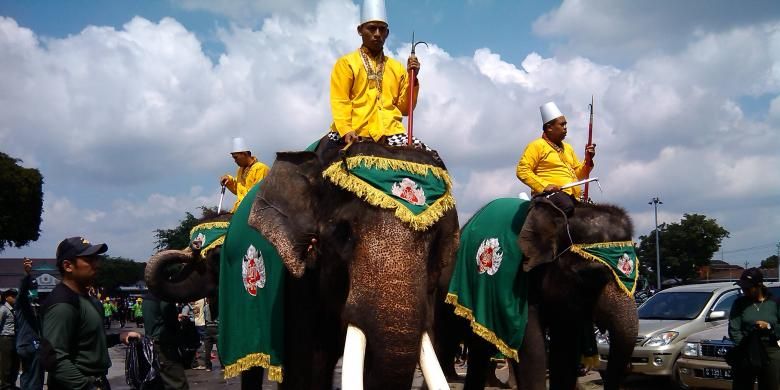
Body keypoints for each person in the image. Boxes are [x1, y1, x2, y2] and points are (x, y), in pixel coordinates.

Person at [42, 236, 140, 390]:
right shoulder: (62, 304)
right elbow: (54, 357)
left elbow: (86, 340)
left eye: (96, 258)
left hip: (97, 381)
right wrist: (86, 386)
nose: (97, 264)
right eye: (89, 260)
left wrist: (119, 337)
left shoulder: (88, 300)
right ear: (68, 266)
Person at [326, 0, 424, 148]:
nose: (377, 34)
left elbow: (404, 109)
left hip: (391, 132)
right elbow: (340, 100)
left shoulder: (396, 68)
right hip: (354, 129)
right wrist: (346, 129)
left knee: (429, 161)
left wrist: (413, 78)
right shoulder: (346, 63)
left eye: (382, 29)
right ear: (360, 30)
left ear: (387, 33)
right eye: (372, 28)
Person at [516, 101, 596, 213]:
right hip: (549, 197)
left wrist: (588, 159)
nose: (565, 128)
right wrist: (544, 186)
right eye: (562, 125)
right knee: (566, 205)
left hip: (573, 198)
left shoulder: (568, 148)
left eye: (566, 124)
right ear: (549, 127)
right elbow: (522, 170)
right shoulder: (537, 145)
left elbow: (579, 175)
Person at [728, 268, 780, 390]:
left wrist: (768, 326)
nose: (744, 290)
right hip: (745, 349)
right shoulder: (739, 303)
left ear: (759, 285)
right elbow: (734, 329)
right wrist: (744, 346)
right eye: (742, 287)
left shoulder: (775, 302)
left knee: (771, 385)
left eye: (748, 288)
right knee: (742, 385)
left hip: (770, 350)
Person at [143, 293, 189, 389]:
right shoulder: (163, 297)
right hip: (165, 346)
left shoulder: (147, 297)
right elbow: (172, 321)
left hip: (151, 345)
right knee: (178, 384)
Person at [15, 258, 44, 390]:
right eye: (32, 288)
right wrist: (27, 274)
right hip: (29, 344)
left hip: (26, 344)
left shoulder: (35, 306)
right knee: (34, 379)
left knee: (27, 377)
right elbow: (22, 293)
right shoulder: (22, 305)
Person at [219, 137, 269, 213]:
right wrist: (229, 180)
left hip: (253, 211)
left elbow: (256, 194)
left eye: (236, 157)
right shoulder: (240, 170)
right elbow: (239, 189)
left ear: (244, 154)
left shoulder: (260, 168)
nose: (235, 161)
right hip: (239, 210)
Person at [193, 298, 220, 372]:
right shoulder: (218, 306)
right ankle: (223, 366)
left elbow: (201, 316)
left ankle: (208, 366)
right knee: (219, 348)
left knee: (207, 349)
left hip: (207, 327)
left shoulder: (205, 307)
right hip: (216, 327)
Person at [0, 289, 18, 389]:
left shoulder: (14, 309)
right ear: (7, 297)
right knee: (6, 364)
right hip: (6, 338)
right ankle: (5, 386)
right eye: (13, 296)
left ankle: (12, 384)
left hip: (14, 338)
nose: (15, 298)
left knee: (14, 363)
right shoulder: (3, 309)